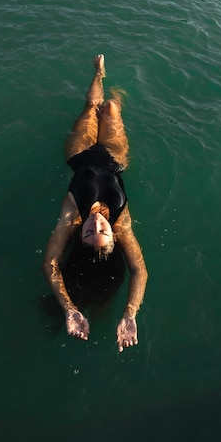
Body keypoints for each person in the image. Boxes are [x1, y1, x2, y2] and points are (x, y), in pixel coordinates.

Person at [42, 54, 147, 352]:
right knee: (112, 107)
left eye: (90, 232)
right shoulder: (121, 223)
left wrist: (70, 309)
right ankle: (111, 83)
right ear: (113, 234)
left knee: (91, 108)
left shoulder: (71, 216)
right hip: (114, 159)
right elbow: (139, 270)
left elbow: (49, 264)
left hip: (79, 155)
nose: (97, 223)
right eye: (103, 230)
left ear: (82, 234)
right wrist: (130, 313)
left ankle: (98, 74)